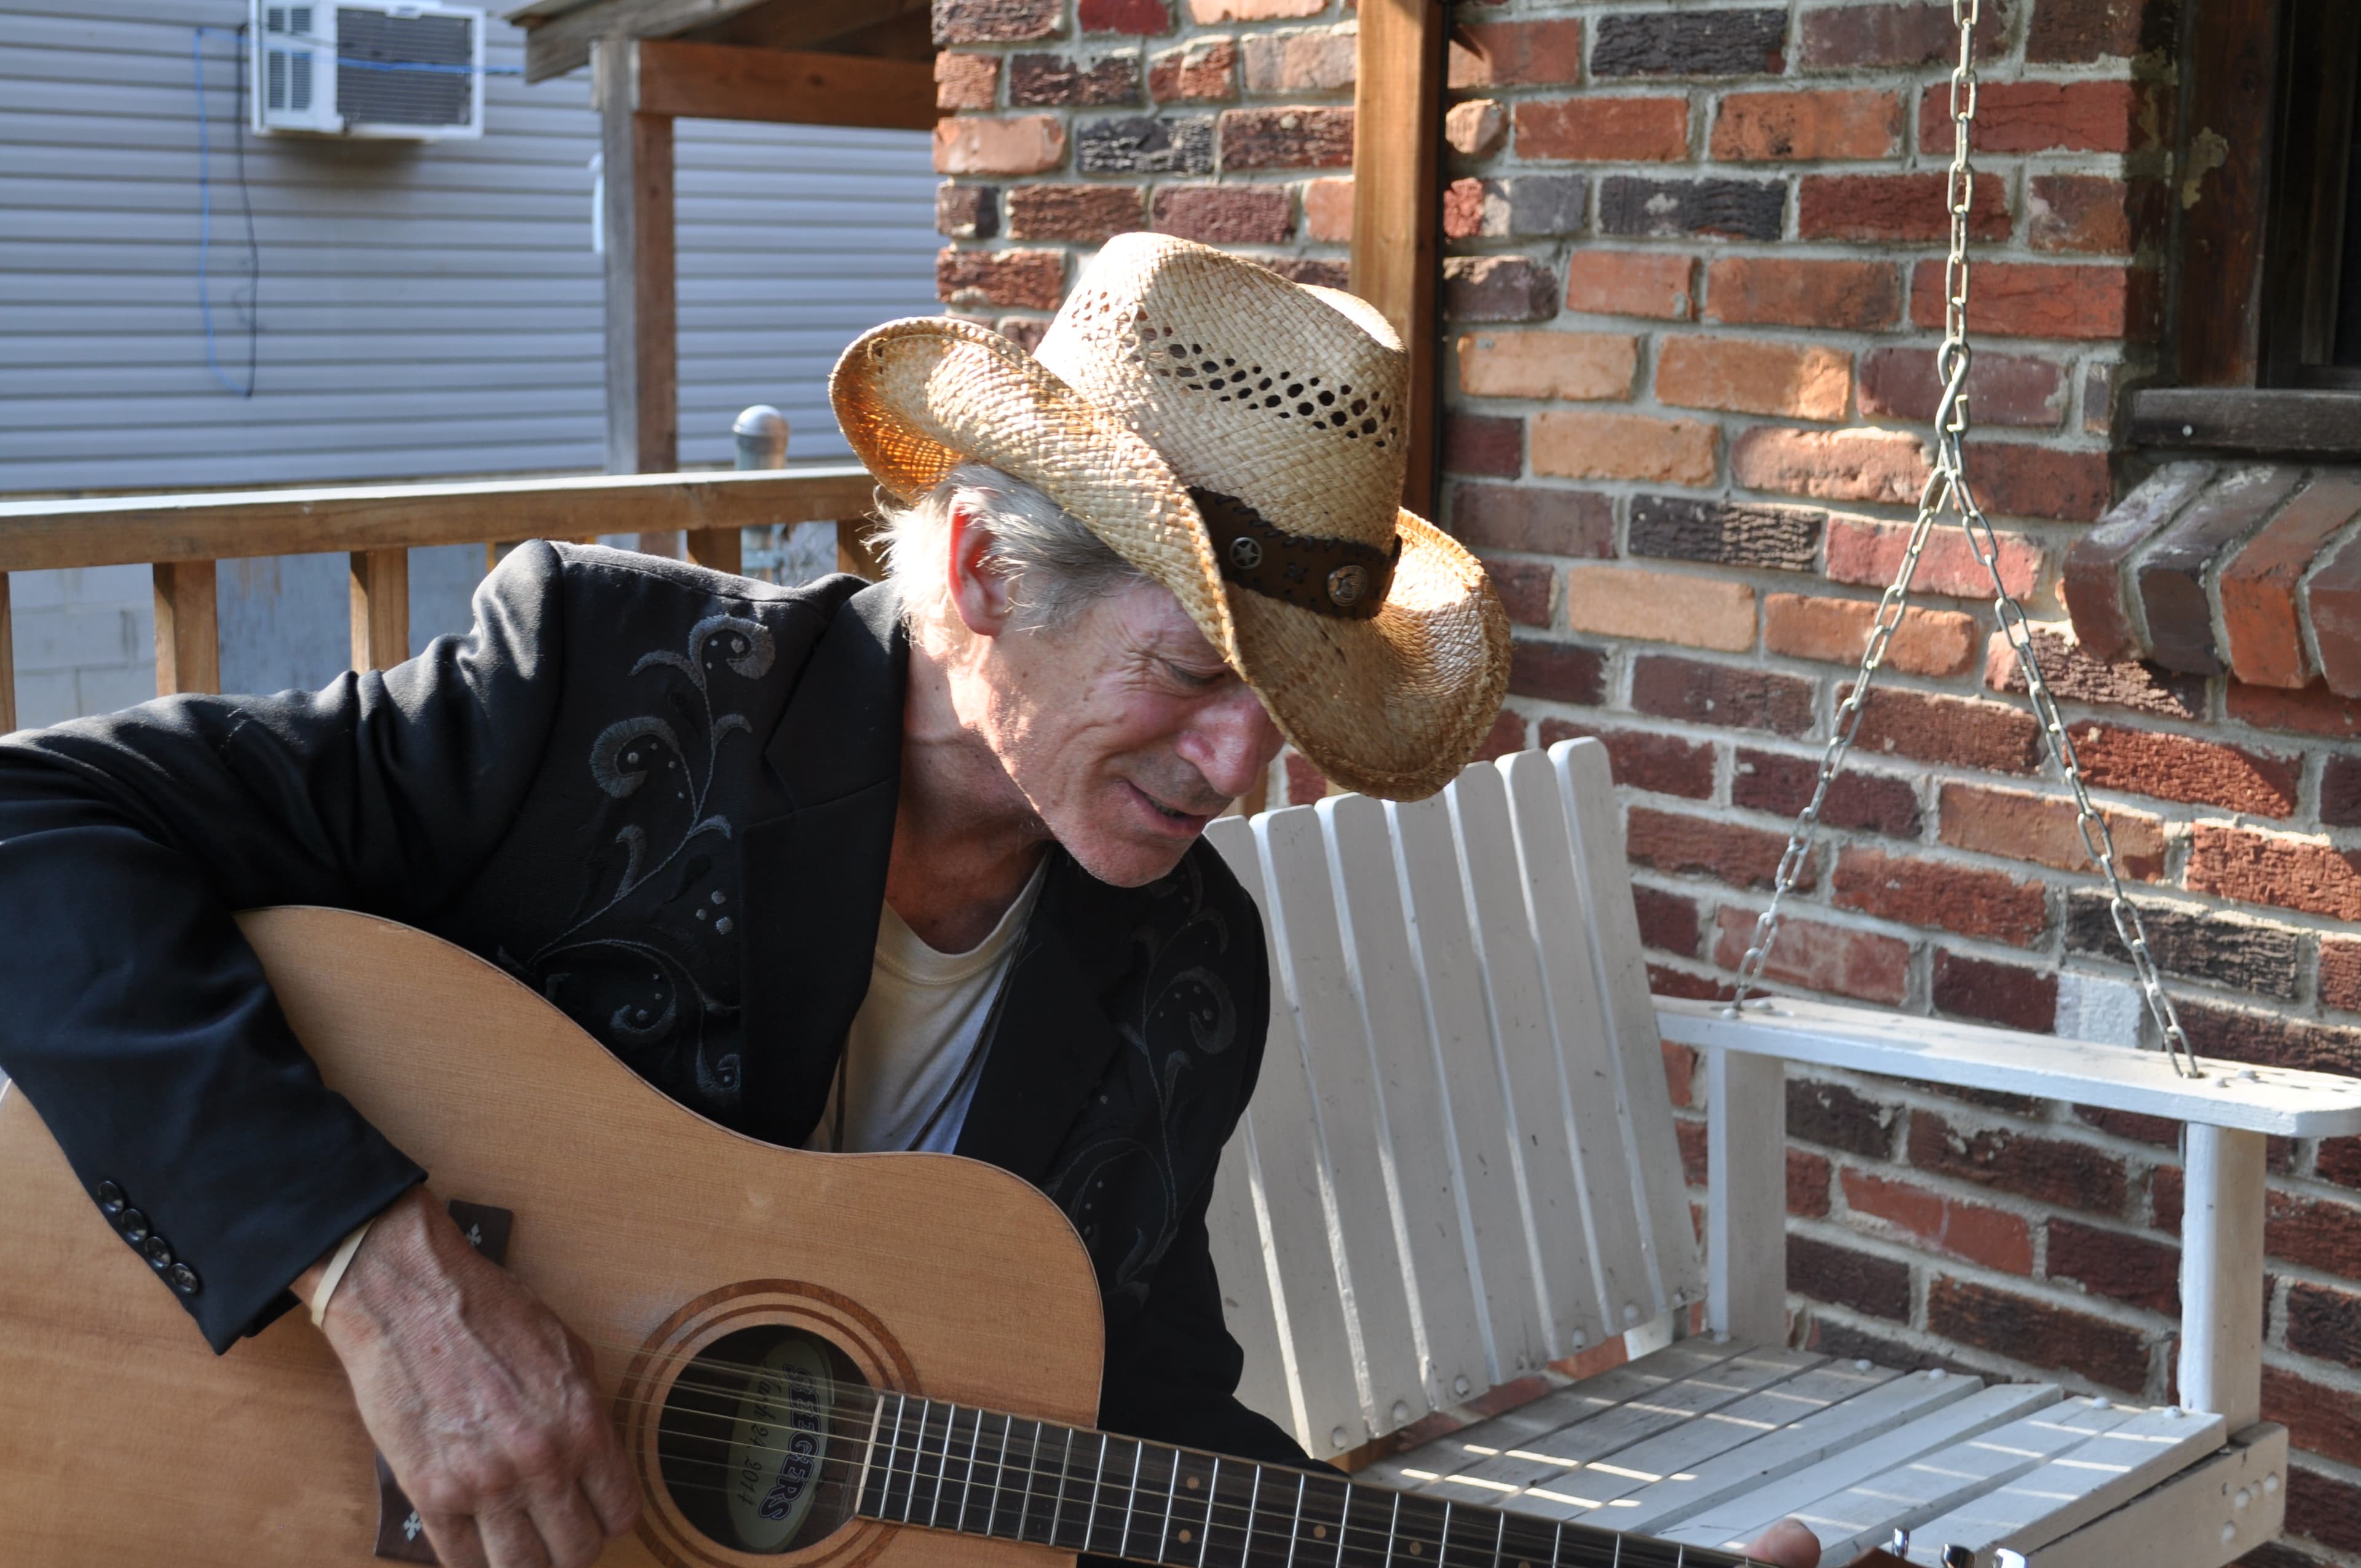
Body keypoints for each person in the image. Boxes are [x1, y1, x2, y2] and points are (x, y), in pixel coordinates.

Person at [0, 234, 1819, 1568]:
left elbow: (1138, 1419)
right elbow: (34, 830)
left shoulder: (1190, 960)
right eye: (1193, 674)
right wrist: (391, 1289)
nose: (1236, 766)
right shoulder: (610, 698)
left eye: (1279, 714)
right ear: (973, 568)